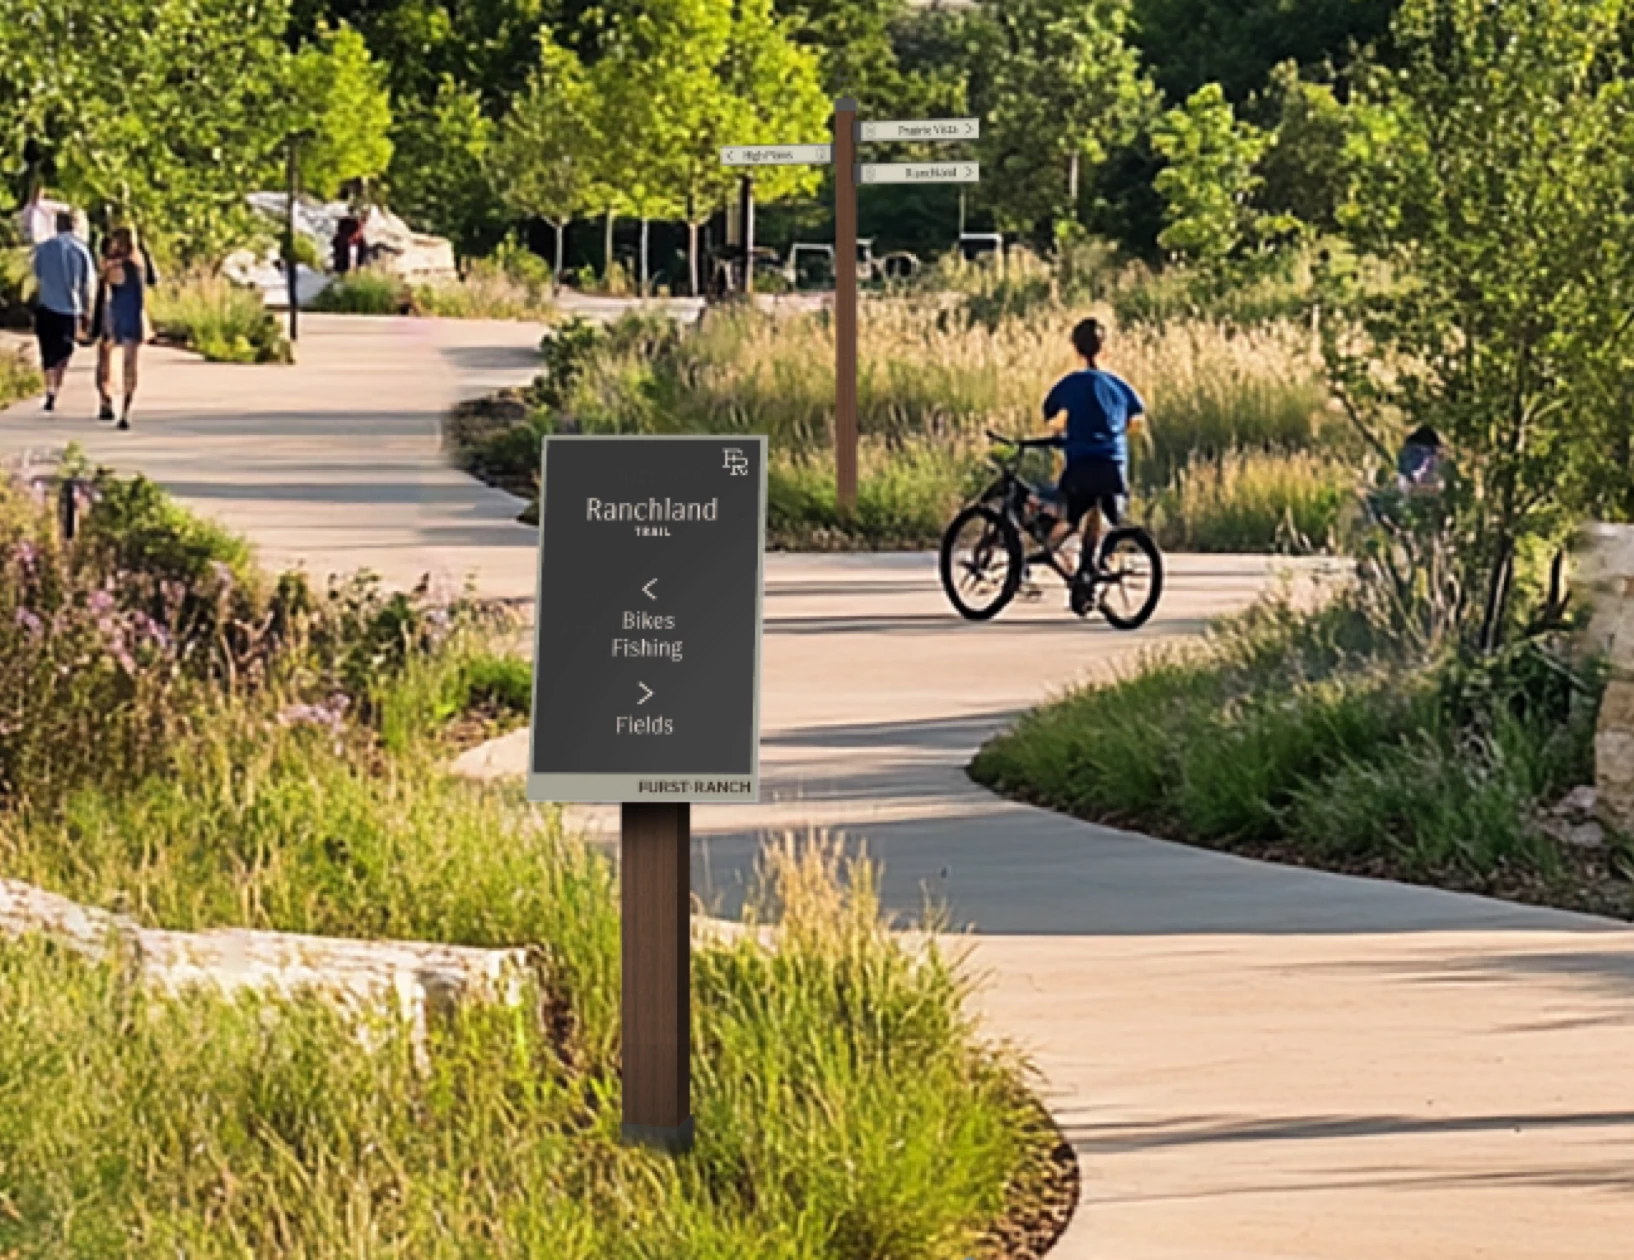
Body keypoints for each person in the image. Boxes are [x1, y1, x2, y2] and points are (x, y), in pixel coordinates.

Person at [1040, 317, 1147, 583]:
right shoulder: (1119, 385)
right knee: (1102, 511)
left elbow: (1049, 411)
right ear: (1104, 347)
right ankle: (1092, 567)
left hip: (1082, 462)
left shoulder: (1072, 383)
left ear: (1075, 348)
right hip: (1113, 464)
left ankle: (1042, 556)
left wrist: (1064, 429)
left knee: (1068, 513)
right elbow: (1135, 414)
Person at [30, 209, 95, 413]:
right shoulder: (81, 250)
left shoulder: (43, 248)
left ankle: (50, 387)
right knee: (65, 349)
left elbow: (38, 275)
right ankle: (57, 383)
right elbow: (87, 283)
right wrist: (88, 311)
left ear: (57, 225)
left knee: (46, 349)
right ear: (73, 226)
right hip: (69, 307)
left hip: (46, 305)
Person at [95, 226, 153, 429]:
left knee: (106, 358)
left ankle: (106, 399)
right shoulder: (140, 263)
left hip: (116, 316)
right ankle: (126, 410)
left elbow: (108, 286)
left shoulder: (115, 266)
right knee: (130, 364)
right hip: (135, 316)